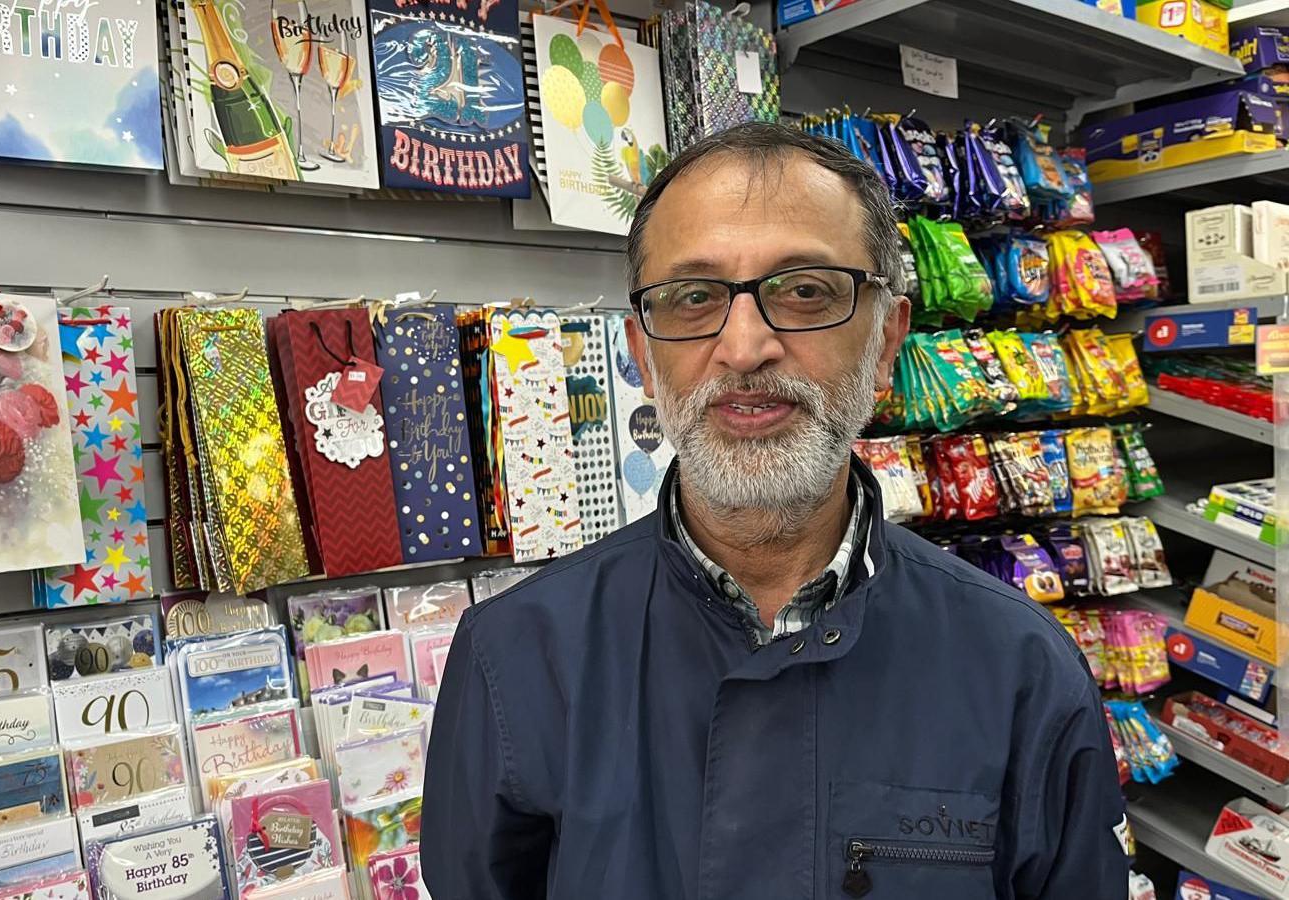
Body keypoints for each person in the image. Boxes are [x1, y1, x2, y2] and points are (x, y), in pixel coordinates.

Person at [420, 123, 1129, 900]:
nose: (744, 346)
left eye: (805, 291)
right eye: (694, 298)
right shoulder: (516, 657)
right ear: (641, 355)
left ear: (887, 340)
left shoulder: (1024, 670)